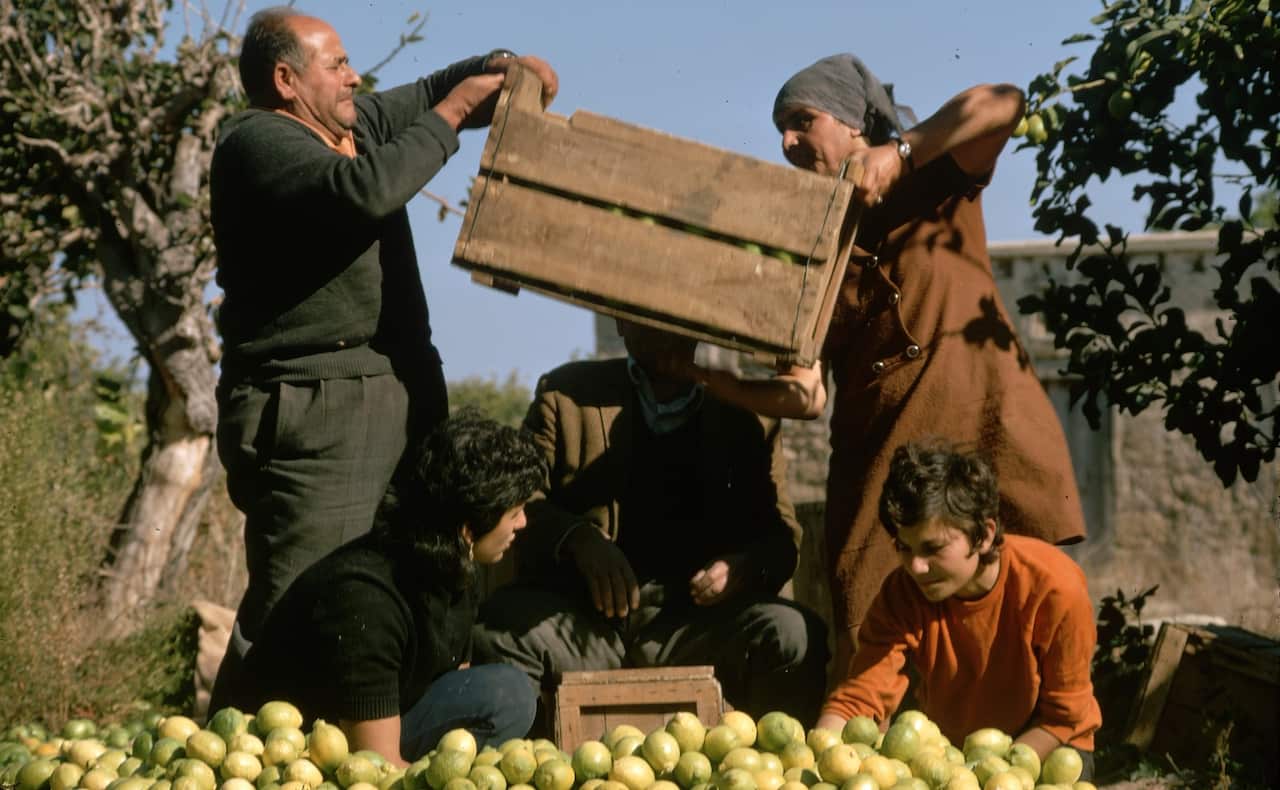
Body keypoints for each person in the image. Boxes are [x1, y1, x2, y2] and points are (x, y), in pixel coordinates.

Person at [674, 53, 1087, 673]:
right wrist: (702, 375)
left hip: (984, 416)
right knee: (870, 615)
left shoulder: (936, 177)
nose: (786, 141)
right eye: (779, 129)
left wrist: (903, 152)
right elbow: (805, 396)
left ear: (848, 123)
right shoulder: (810, 242)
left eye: (800, 121)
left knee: (1017, 596)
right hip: (881, 449)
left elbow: (1005, 100)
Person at [209, 6, 558, 675]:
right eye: (336, 64)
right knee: (303, 595)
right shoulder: (256, 142)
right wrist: (456, 111)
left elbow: (429, 93)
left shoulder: (352, 125)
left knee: (410, 575)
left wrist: (504, 70)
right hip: (316, 406)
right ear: (286, 79)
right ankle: (240, 754)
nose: (353, 77)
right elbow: (364, 191)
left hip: (395, 389)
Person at [472, 320, 829, 724]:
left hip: (696, 630)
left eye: (678, 323)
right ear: (621, 325)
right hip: (585, 627)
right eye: (647, 322)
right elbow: (522, 499)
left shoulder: (749, 413)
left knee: (794, 635)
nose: (665, 336)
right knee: (497, 631)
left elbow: (783, 540)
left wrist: (742, 569)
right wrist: (577, 539)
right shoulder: (566, 395)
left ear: (700, 329)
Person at [211, 412, 546, 765]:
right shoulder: (365, 598)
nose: (523, 523)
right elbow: (377, 767)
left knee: (506, 694)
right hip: (300, 757)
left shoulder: (456, 566)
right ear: (467, 528)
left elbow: (453, 682)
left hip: (384, 722)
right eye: (515, 513)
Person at [816, 440, 1101, 780]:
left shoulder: (1054, 588)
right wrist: (816, 761)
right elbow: (859, 699)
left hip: (1052, 746)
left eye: (932, 548)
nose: (916, 567)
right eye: (904, 549)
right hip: (952, 757)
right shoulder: (901, 593)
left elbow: (1063, 718)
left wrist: (991, 778)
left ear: (983, 535)